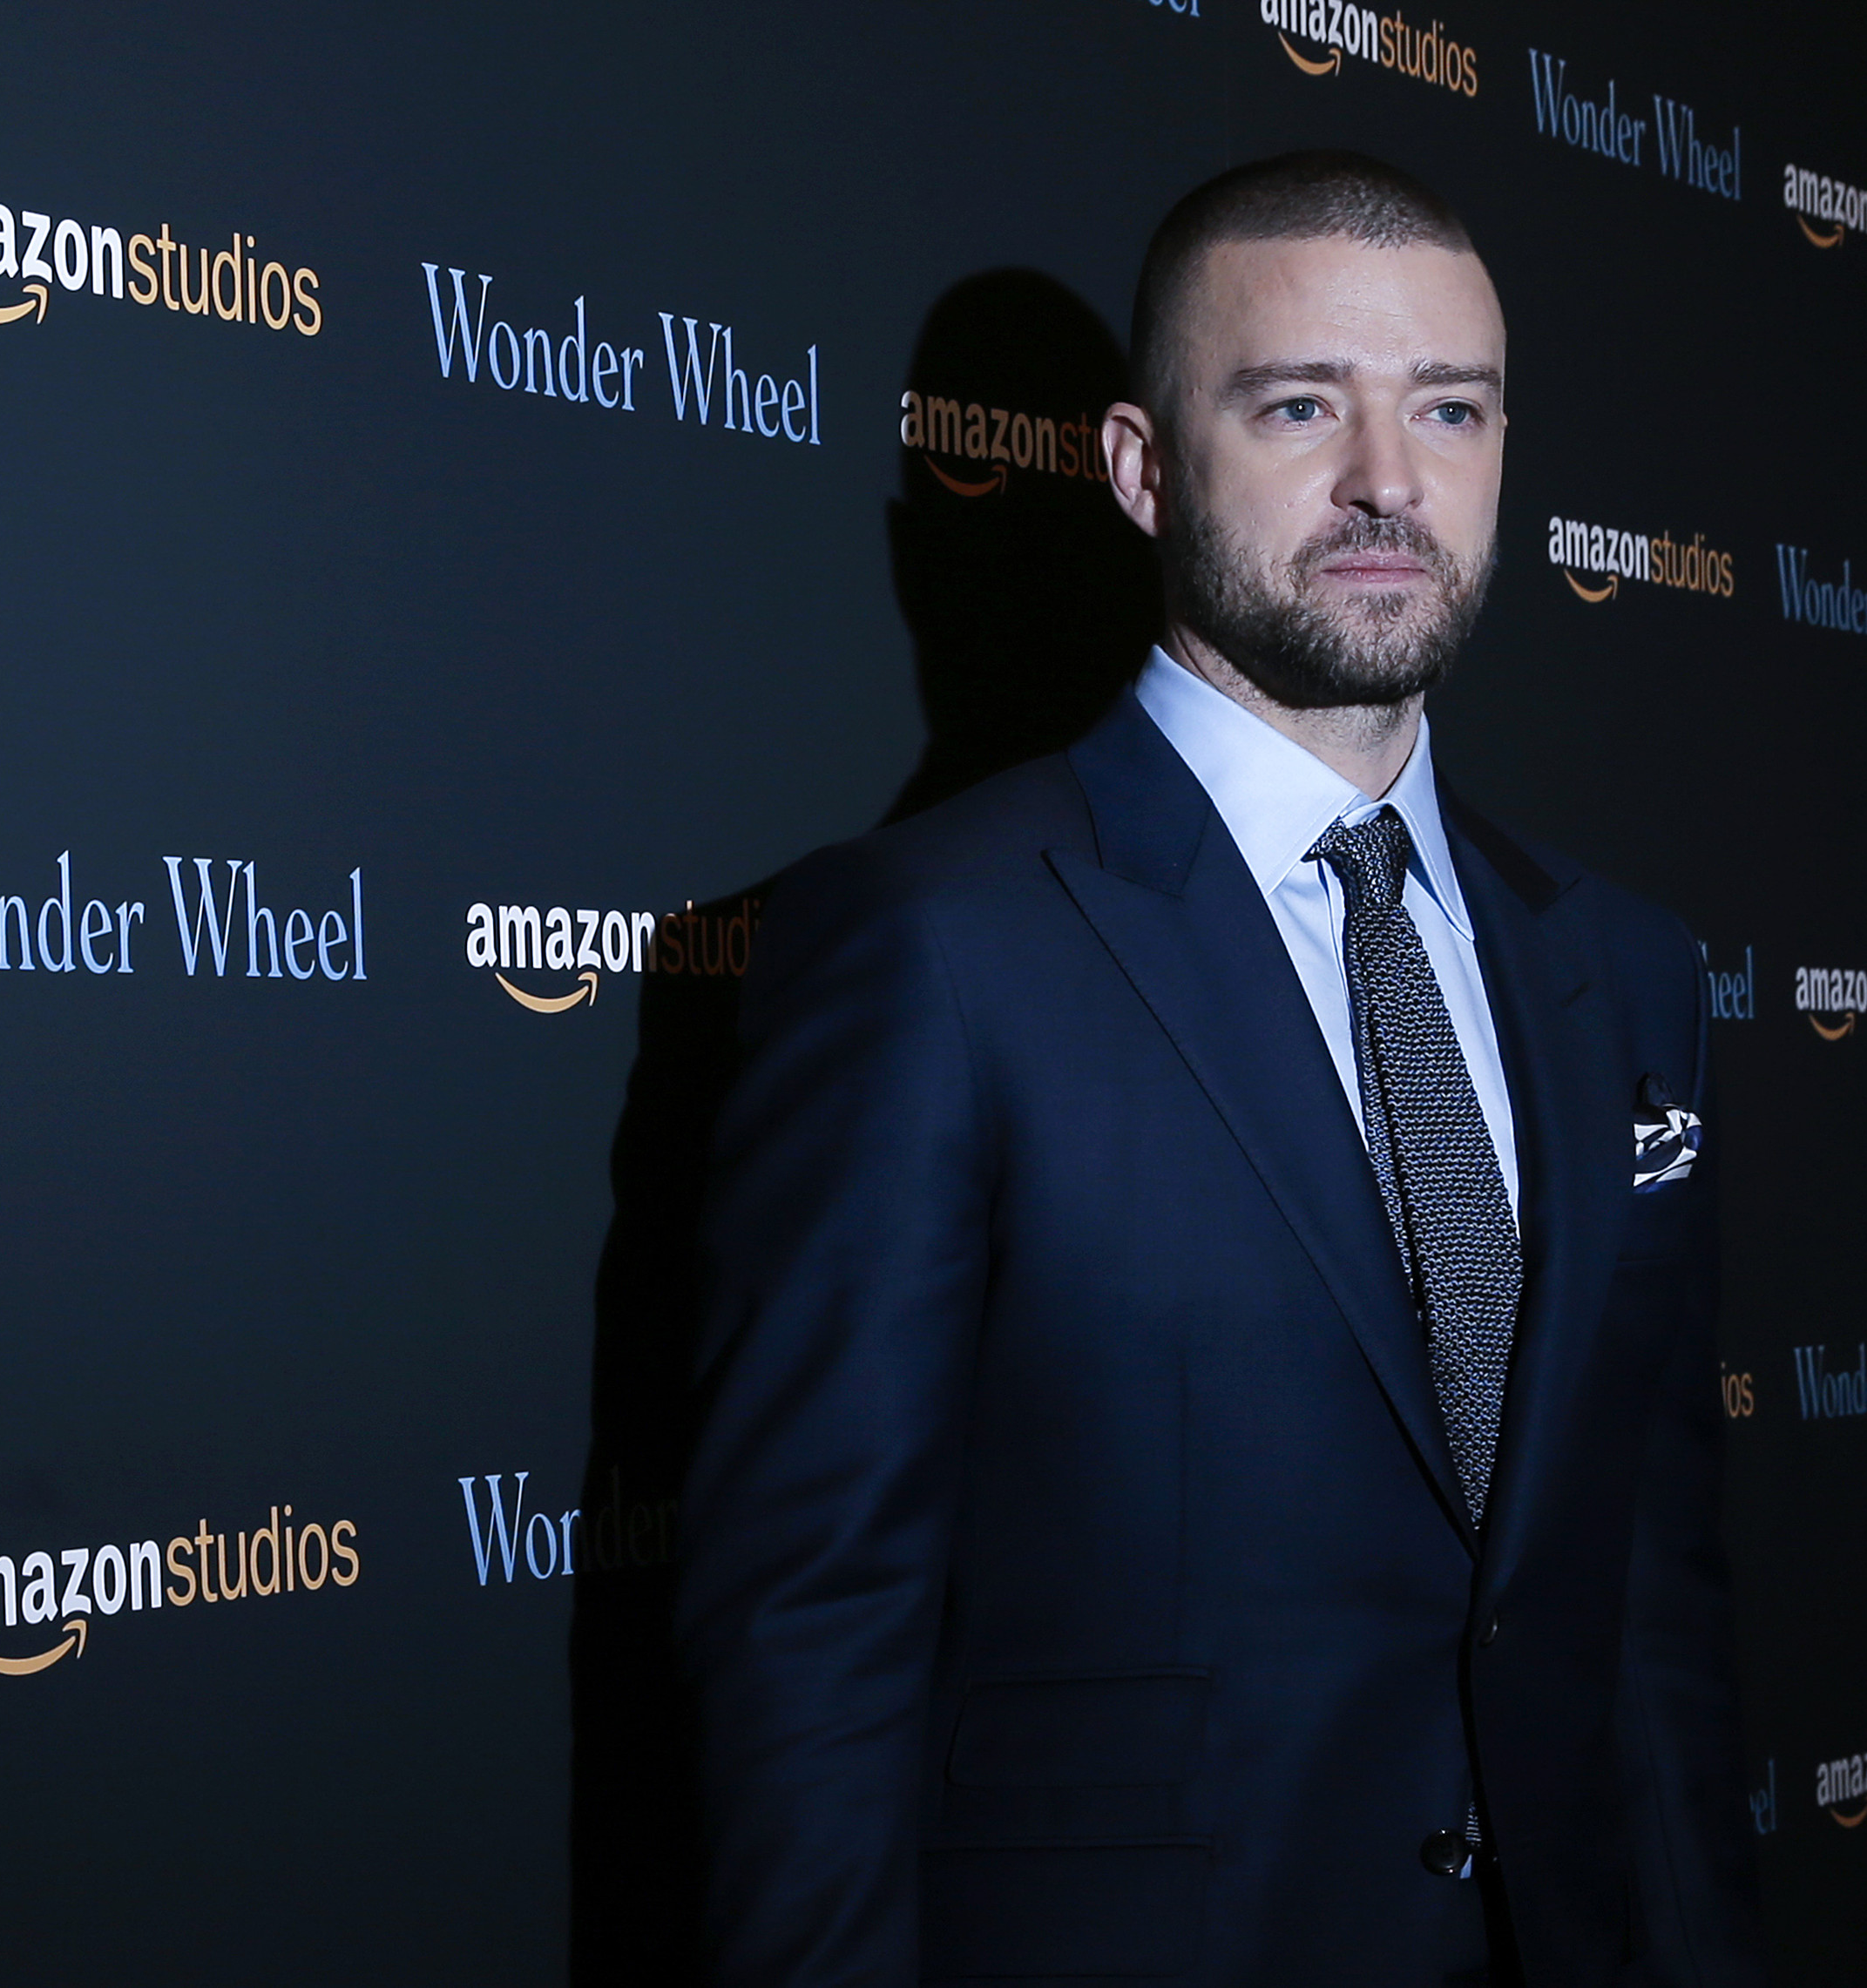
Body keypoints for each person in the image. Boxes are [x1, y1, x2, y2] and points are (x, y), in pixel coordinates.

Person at [677, 152, 1762, 1986]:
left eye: (1449, 408)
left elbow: (1652, 1616)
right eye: (1298, 406)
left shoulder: (1626, 969)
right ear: (1140, 466)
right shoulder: (931, 944)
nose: (1389, 481)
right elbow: (812, 1639)